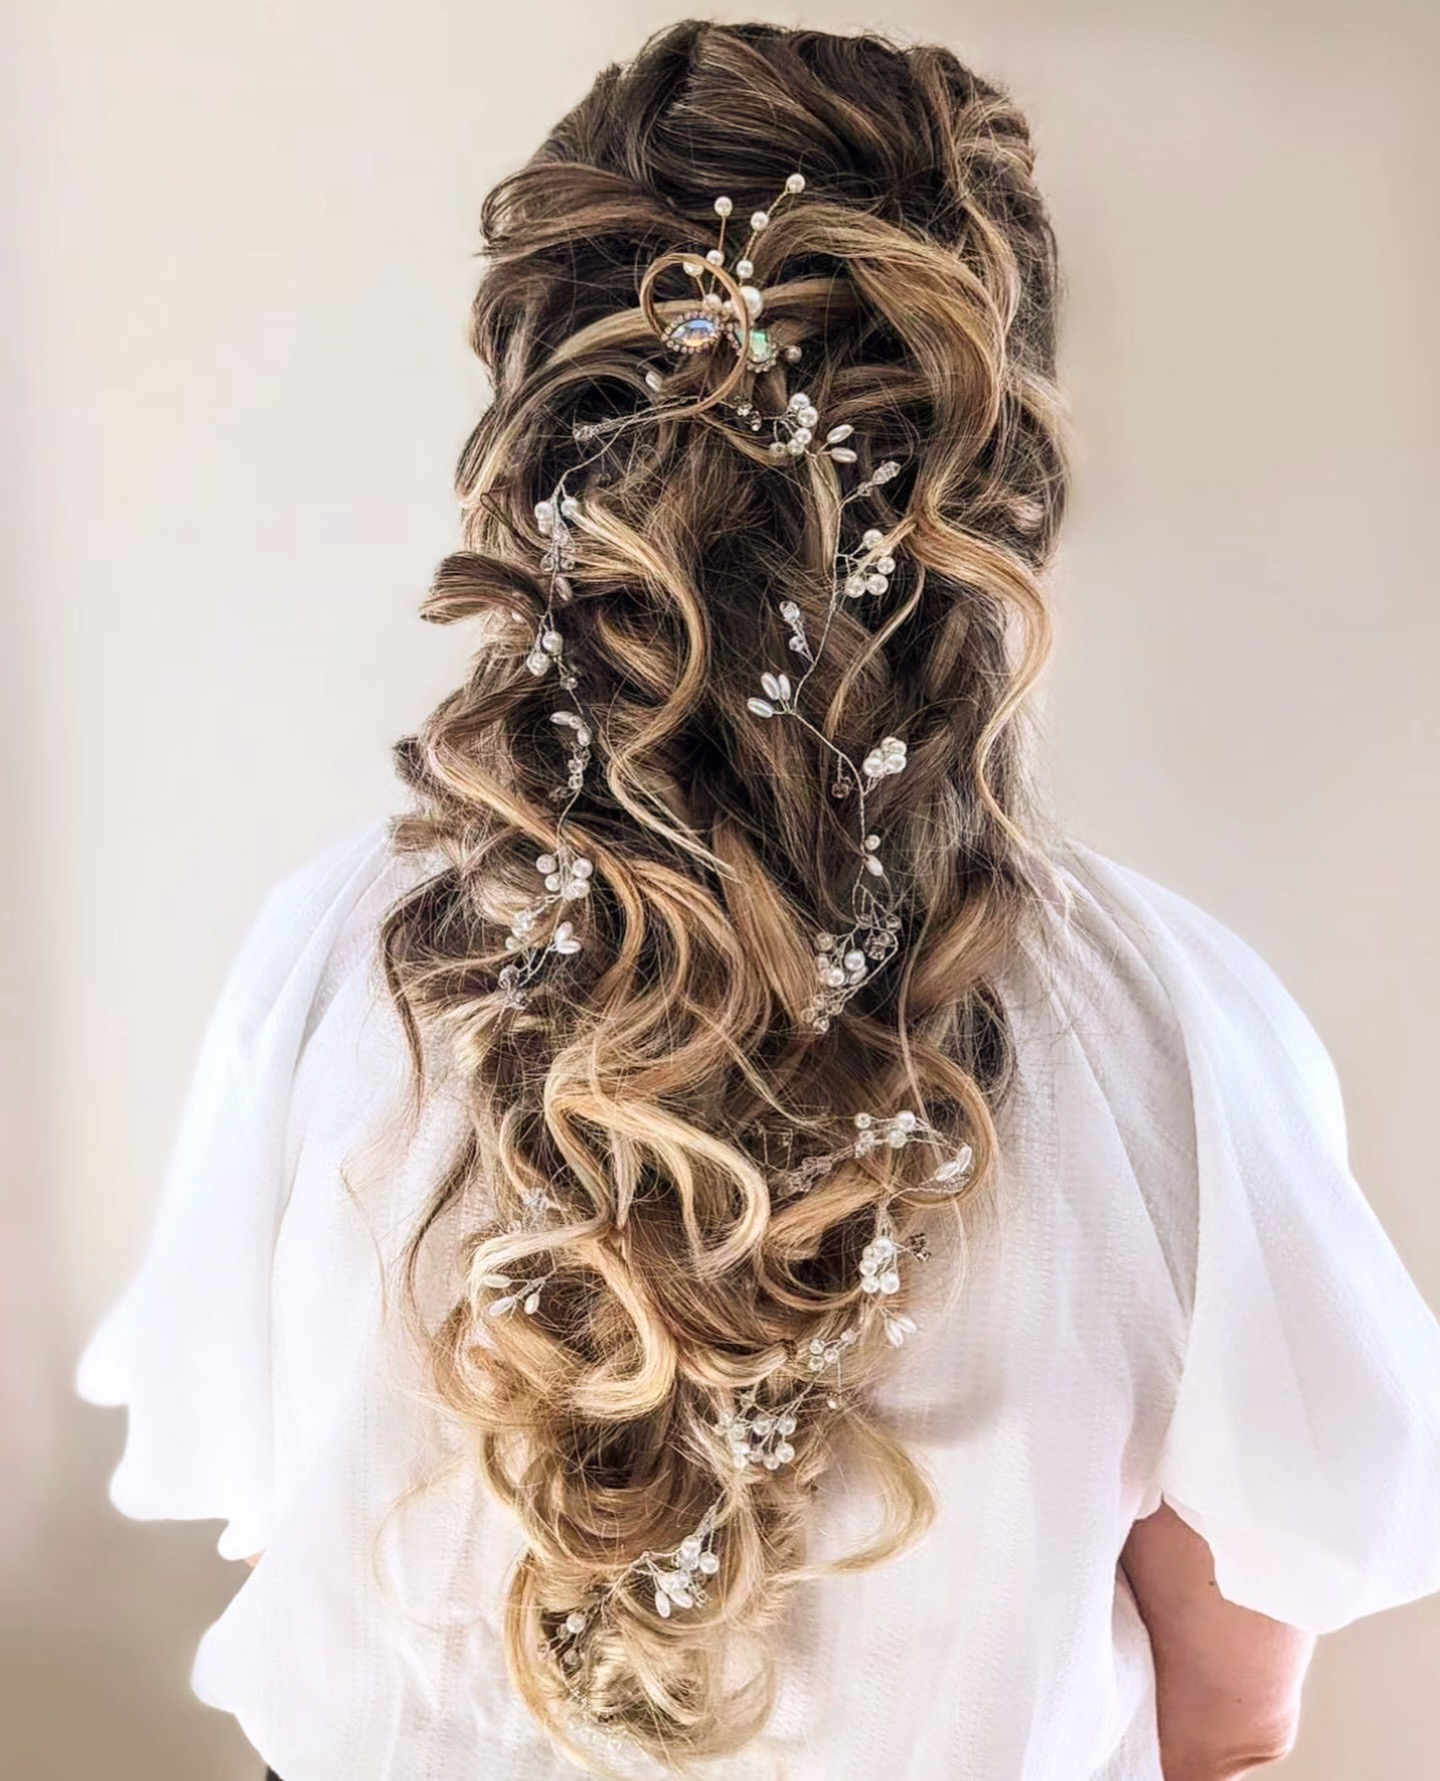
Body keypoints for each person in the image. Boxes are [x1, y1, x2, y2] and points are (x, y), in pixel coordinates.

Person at [77, 21, 1440, 1781]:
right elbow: (1225, 1726)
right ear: (986, 478)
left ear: (547, 447)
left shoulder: (342, 969)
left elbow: (307, 1568)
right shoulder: (1163, 1043)